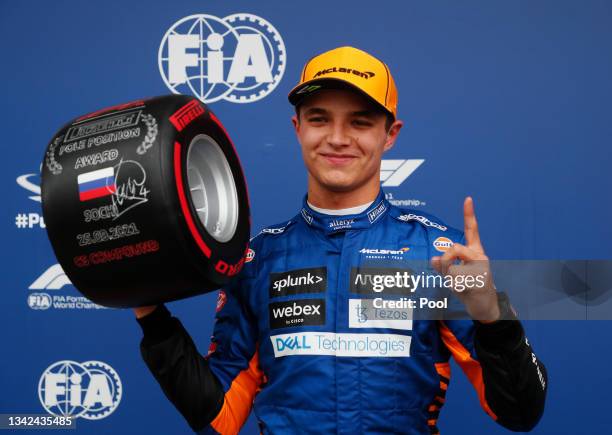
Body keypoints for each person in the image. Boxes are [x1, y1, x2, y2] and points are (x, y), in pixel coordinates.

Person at [134, 46, 547, 434]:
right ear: (297, 129)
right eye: (319, 118)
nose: (337, 137)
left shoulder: (439, 254)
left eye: (360, 121)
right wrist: (151, 314)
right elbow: (219, 417)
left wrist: (495, 319)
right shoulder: (259, 259)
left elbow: (519, 412)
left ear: (390, 135)